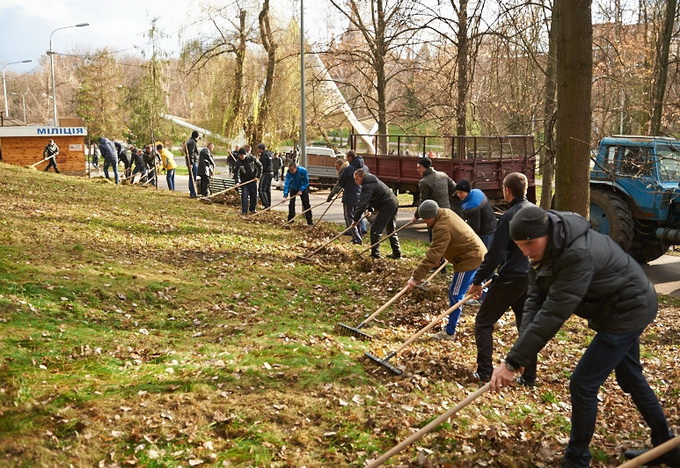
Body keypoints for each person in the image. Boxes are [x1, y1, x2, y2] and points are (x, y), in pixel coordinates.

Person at [489, 205, 680, 468]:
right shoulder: (544, 249)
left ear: (546, 232)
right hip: (614, 307)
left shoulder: (576, 254)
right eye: (520, 245)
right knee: (631, 377)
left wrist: (512, 362)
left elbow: (555, 312)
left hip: (628, 309)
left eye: (530, 243)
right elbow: (535, 300)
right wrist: (524, 350)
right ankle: (666, 444)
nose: (525, 251)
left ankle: (577, 459)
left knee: (583, 384)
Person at [466, 172, 536, 385]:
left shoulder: (510, 216)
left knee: (483, 322)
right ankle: (529, 376)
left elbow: (495, 254)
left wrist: (477, 281)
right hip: (532, 277)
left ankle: (484, 371)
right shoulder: (536, 211)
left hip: (512, 278)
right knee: (526, 326)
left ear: (507, 190)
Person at [406, 200, 486, 339]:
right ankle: (494, 319)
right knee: (479, 288)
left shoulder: (441, 227)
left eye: (426, 219)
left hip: (468, 259)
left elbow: (433, 254)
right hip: (477, 252)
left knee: (455, 293)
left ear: (431, 215)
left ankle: (450, 332)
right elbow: (449, 242)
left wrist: (415, 278)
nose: (425, 222)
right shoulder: (444, 212)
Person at [352, 169, 401, 259]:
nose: (355, 181)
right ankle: (397, 253)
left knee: (375, 230)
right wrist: (370, 208)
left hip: (387, 205)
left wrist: (355, 219)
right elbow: (373, 197)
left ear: (363, 177)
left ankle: (375, 254)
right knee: (390, 230)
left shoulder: (367, 185)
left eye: (357, 179)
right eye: (354, 179)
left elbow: (362, 203)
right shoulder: (370, 181)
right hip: (392, 202)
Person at [411, 157, 456, 239]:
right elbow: (454, 187)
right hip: (446, 211)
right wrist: (447, 198)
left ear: (426, 167)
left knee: (434, 238)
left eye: (419, 167)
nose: (418, 170)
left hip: (433, 214)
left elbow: (423, 201)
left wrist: (416, 216)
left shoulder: (424, 182)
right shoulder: (443, 175)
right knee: (445, 236)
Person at [328, 150, 367, 244]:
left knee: (349, 217)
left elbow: (341, 182)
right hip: (361, 195)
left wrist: (331, 195)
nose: (346, 159)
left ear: (350, 157)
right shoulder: (365, 168)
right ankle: (359, 235)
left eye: (347, 157)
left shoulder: (349, 169)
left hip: (350, 196)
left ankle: (356, 239)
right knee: (357, 216)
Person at [454, 179, 497, 247]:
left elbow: (475, 227)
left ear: (467, 191)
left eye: (461, 192)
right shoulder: (477, 192)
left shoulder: (472, 205)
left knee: (484, 254)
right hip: (491, 224)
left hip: (485, 232)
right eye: (457, 192)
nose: (459, 195)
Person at [234, 147, 262, 214]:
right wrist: (237, 182)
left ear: (245, 154)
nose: (240, 157)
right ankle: (244, 211)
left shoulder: (252, 158)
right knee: (244, 196)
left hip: (252, 180)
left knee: (254, 195)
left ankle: (252, 209)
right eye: (239, 155)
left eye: (242, 155)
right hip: (244, 182)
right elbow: (236, 173)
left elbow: (260, 167)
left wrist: (257, 177)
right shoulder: (238, 162)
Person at [257, 143, 274, 209]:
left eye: (258, 149)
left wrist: (258, 175)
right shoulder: (269, 154)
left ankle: (266, 205)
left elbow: (262, 167)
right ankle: (268, 204)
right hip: (271, 173)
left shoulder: (263, 157)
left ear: (261, 149)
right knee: (267, 189)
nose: (257, 150)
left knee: (261, 190)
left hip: (266, 173)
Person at [185, 131, 200, 198]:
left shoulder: (189, 141)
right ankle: (193, 193)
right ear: (196, 136)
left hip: (191, 162)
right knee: (193, 178)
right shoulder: (193, 142)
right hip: (193, 163)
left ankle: (192, 192)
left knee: (192, 178)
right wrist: (191, 163)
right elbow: (191, 153)